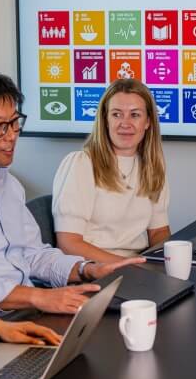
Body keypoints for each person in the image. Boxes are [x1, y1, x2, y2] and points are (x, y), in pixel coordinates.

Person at [0, 68, 142, 315]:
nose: (11, 136)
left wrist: (86, 269)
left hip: (26, 312)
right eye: (0, 126)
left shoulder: (8, 184)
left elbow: (33, 255)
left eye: (14, 122)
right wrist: (37, 297)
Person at [52, 80, 171, 262]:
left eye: (135, 115)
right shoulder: (81, 164)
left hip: (139, 268)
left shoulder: (152, 167)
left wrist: (167, 263)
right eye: (117, 114)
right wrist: (128, 266)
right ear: (105, 120)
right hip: (94, 269)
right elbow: (69, 244)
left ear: (148, 122)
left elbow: (159, 232)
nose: (126, 123)